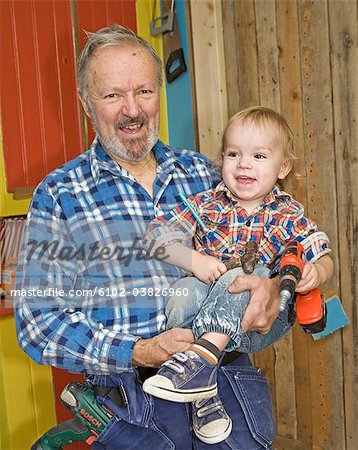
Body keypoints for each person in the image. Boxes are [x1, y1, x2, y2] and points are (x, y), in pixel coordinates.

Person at [13, 25, 327, 450]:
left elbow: (278, 245)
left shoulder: (209, 175)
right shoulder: (60, 195)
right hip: (129, 399)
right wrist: (140, 350)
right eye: (112, 96)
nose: (132, 110)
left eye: (144, 91)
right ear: (86, 102)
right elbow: (39, 326)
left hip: (227, 386)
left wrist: (272, 290)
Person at [141, 106, 334, 443]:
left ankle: (199, 364)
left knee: (244, 276)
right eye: (234, 154)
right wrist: (194, 261)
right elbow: (154, 237)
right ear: (222, 158)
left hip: (263, 318)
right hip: (210, 315)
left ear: (283, 166)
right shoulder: (205, 204)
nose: (244, 164)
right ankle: (204, 394)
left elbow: (323, 253)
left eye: (259, 155)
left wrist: (315, 272)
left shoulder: (287, 213)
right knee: (184, 291)